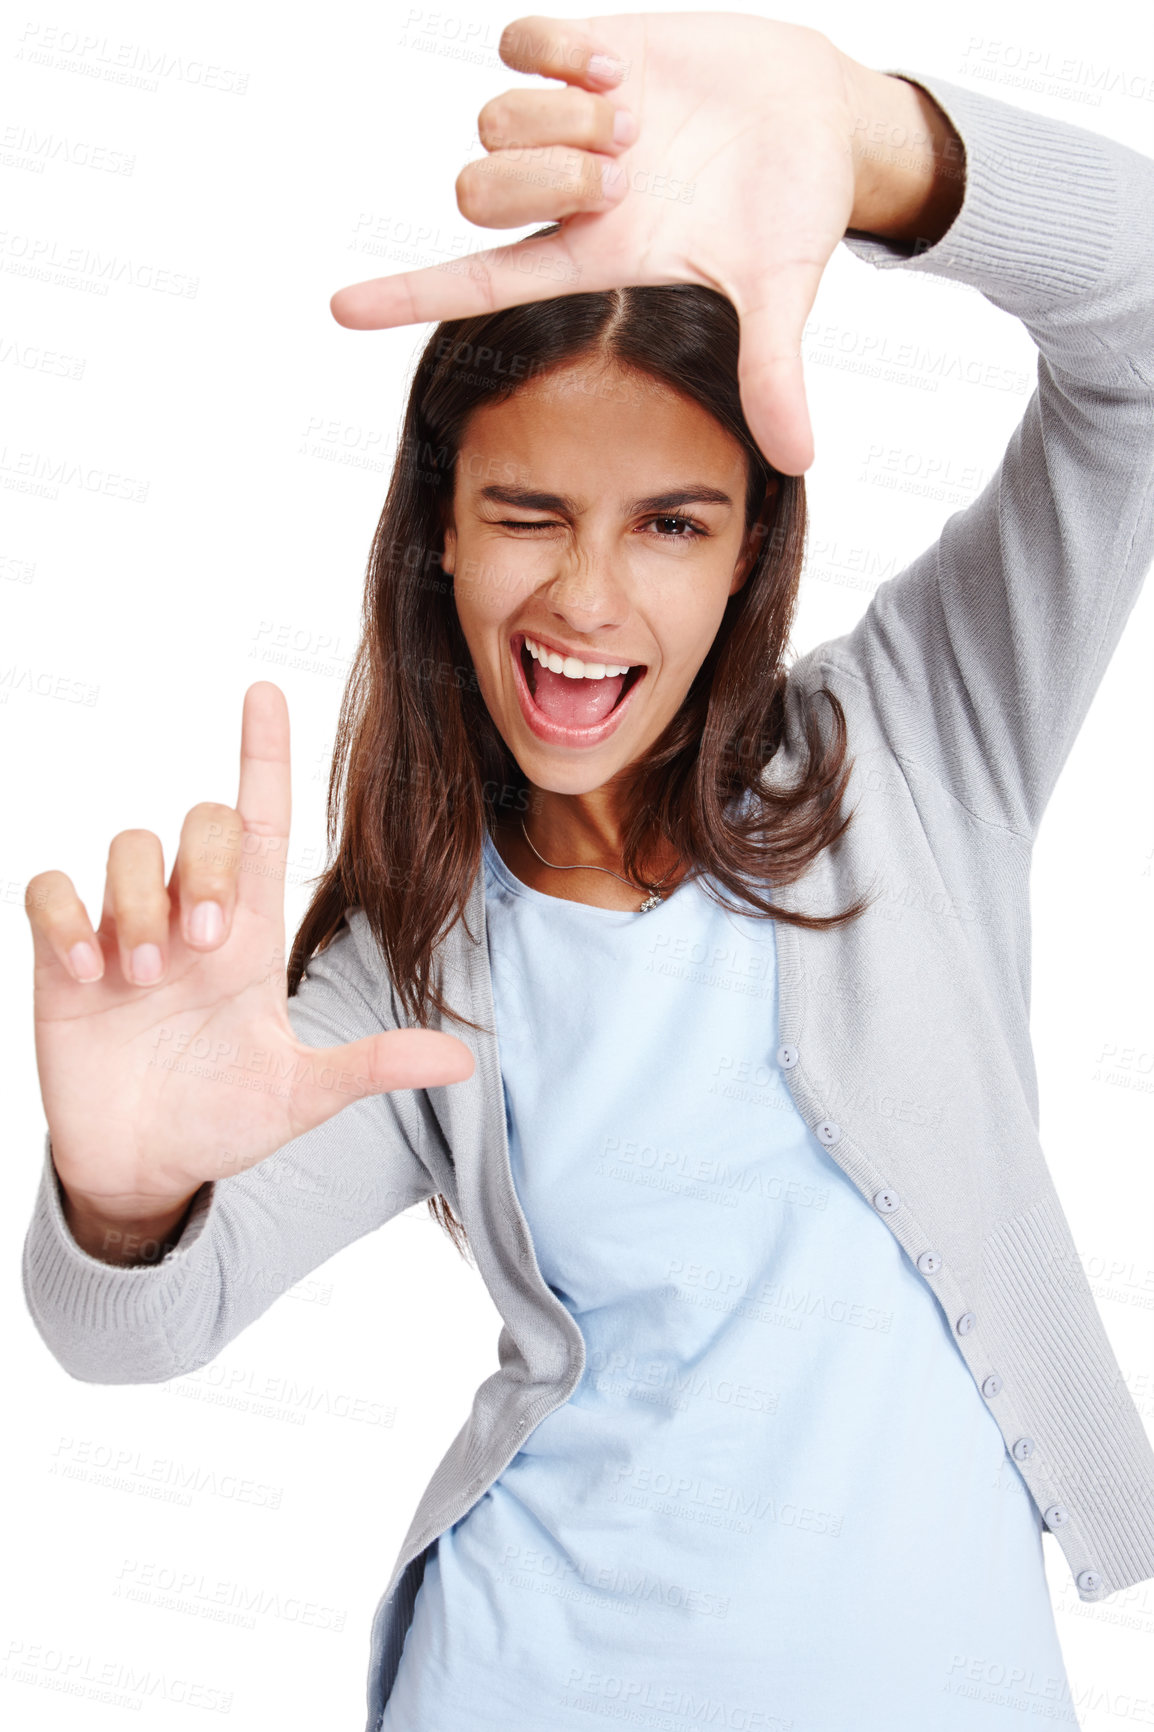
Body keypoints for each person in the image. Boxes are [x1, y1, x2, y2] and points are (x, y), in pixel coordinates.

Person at [22, 13, 1154, 1731]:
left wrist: (871, 141)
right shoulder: (410, 966)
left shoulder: (920, 744)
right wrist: (118, 1199)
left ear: (753, 545)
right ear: (440, 533)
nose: (588, 602)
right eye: (529, 512)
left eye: (670, 522)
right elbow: (130, 1337)